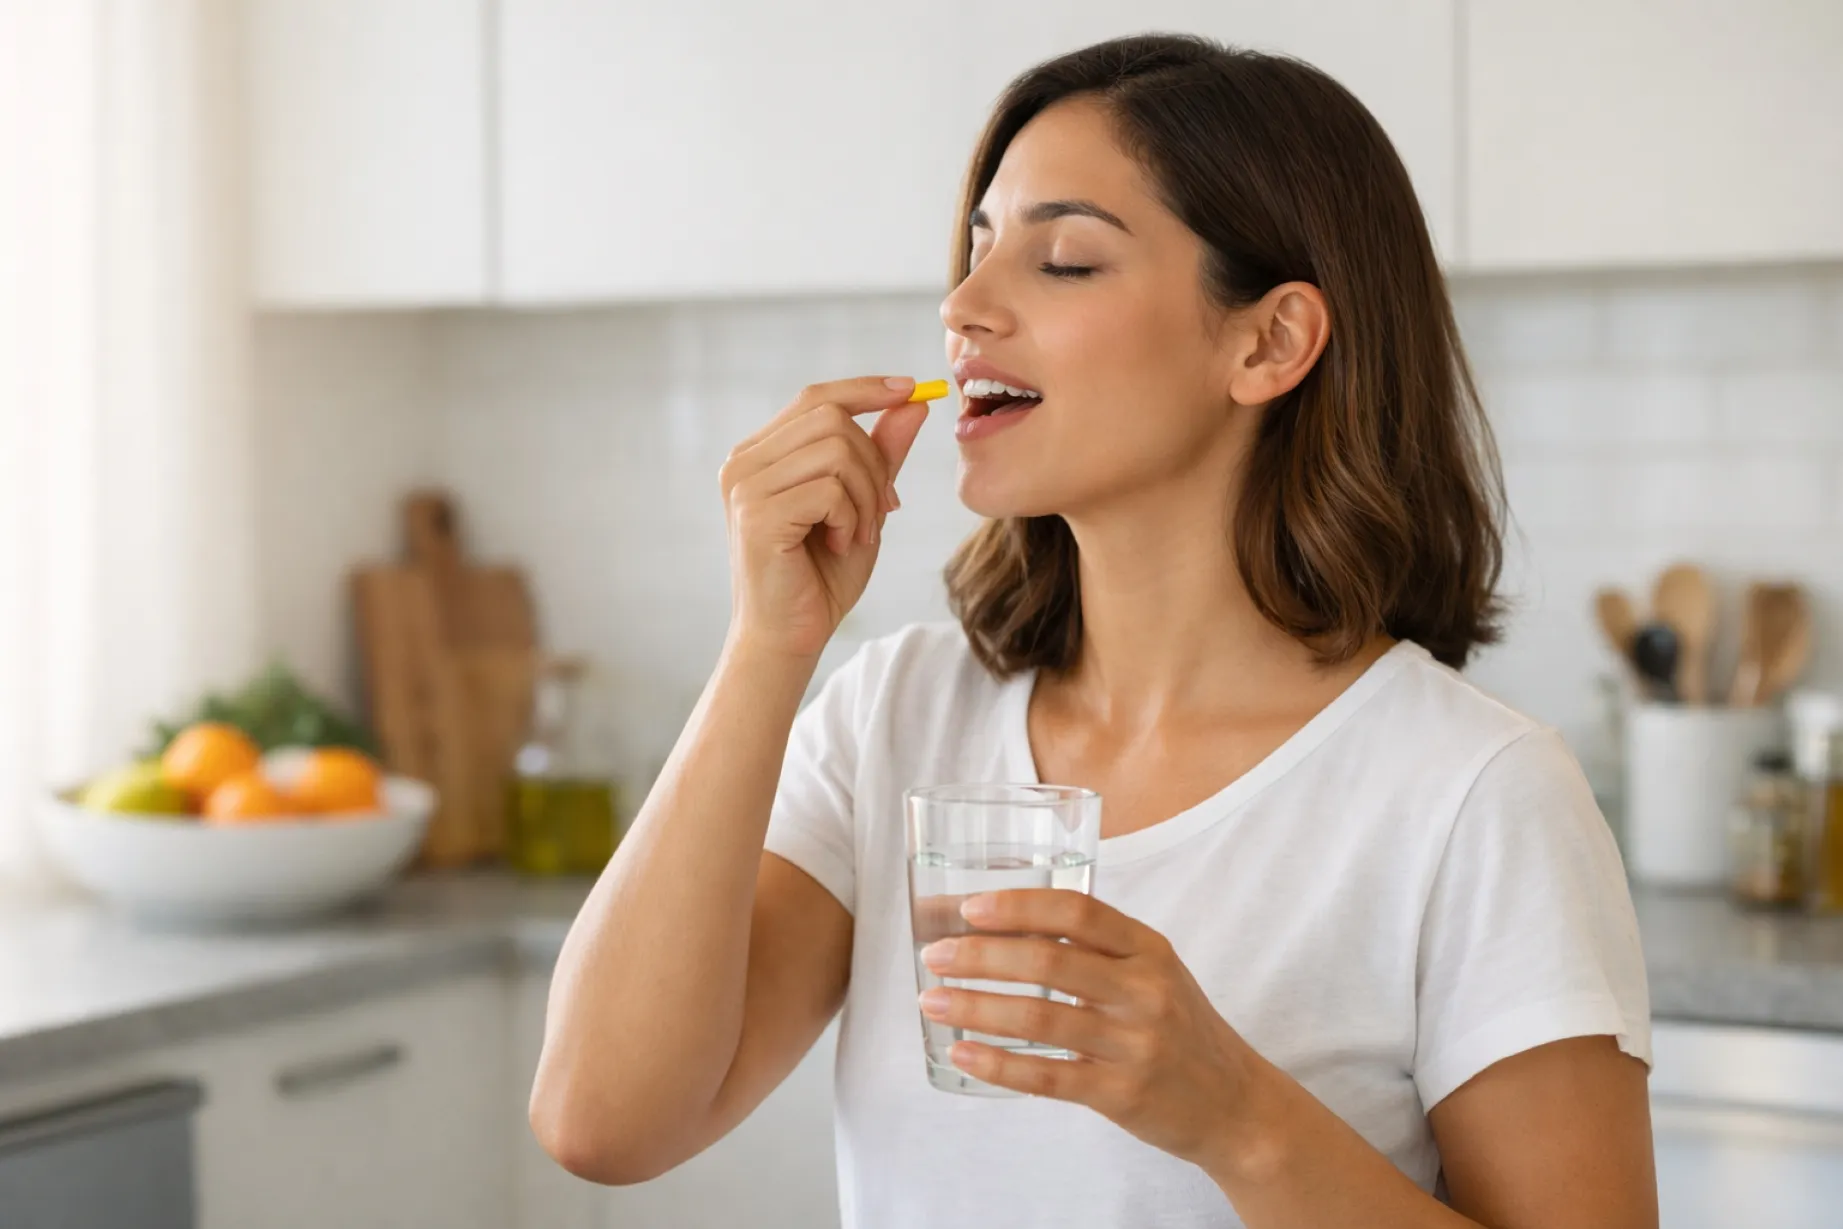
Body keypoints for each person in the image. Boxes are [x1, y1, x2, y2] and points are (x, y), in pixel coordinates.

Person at [530, 33, 1657, 1229]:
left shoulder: (1472, 792)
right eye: (975, 251)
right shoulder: (892, 716)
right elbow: (603, 1121)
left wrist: (1233, 1114)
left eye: (1063, 259)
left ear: (1267, 342)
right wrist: (769, 642)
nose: (963, 308)